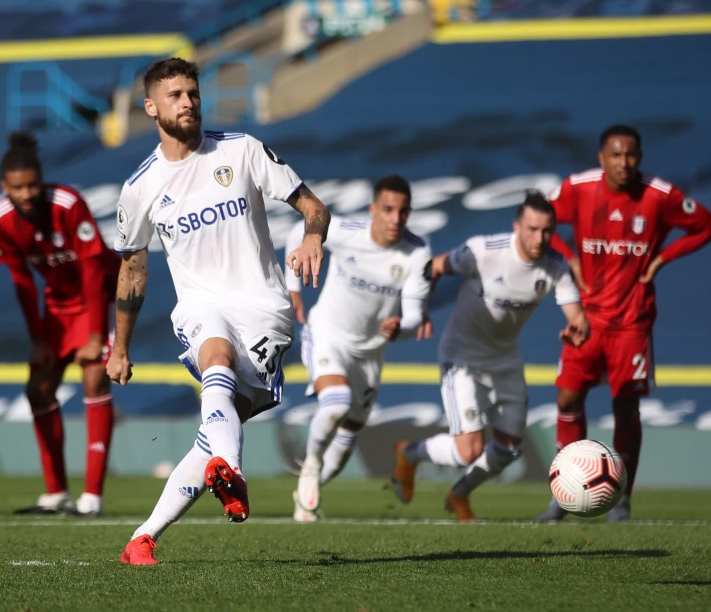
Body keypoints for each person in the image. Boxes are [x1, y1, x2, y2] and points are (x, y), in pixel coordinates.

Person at [108, 57, 330, 565]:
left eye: (193, 93)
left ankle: (142, 538)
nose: (187, 102)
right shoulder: (140, 188)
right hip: (201, 308)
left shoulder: (243, 150)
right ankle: (232, 472)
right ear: (150, 108)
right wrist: (119, 346)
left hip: (265, 308)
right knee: (216, 357)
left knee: (214, 429)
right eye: (175, 96)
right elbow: (132, 273)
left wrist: (312, 237)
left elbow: (314, 207)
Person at [537, 125, 711, 522]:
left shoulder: (660, 196)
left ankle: (622, 499)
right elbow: (538, 219)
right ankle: (563, 492)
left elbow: (708, 225)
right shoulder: (578, 188)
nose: (625, 163)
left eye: (632, 155)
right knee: (567, 399)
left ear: (640, 156)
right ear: (601, 157)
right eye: (616, 155)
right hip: (585, 318)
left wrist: (662, 258)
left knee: (626, 407)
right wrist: (568, 256)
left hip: (631, 322)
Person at [392, 193, 588, 520]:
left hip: (506, 361)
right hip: (462, 357)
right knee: (468, 450)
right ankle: (410, 453)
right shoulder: (483, 251)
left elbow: (577, 316)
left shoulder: (555, 266)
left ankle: (459, 494)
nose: (539, 238)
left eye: (546, 231)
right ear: (517, 227)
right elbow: (436, 266)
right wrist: (419, 308)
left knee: (509, 448)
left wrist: (577, 328)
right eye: (532, 229)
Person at [0, 132, 120, 516]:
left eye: (32, 185)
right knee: (38, 389)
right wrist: (38, 340)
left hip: (101, 296)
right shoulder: (0, 221)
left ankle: (92, 497)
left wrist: (96, 336)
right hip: (58, 306)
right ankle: (55, 492)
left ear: (42, 180)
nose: (27, 194)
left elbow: (94, 268)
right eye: (18, 188)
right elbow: (23, 282)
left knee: (94, 377)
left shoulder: (67, 203)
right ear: (4, 187)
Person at [286, 174, 432, 522]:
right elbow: (299, 232)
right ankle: (311, 465)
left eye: (403, 211)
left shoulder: (417, 252)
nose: (395, 219)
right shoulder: (344, 231)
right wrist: (292, 288)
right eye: (388, 209)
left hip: (370, 354)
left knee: (349, 434)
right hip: (327, 335)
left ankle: (307, 495)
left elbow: (414, 320)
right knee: (337, 403)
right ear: (373, 210)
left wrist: (401, 328)